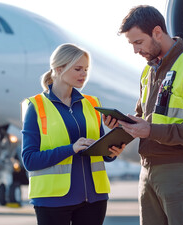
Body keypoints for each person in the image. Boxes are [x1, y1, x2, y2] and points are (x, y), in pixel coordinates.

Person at [102, 5, 183, 225]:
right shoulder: (149, 71)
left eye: (138, 42)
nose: (136, 50)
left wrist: (150, 130)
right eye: (132, 44)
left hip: (181, 169)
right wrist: (120, 126)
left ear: (157, 32)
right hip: (148, 169)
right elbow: (142, 119)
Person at [21, 43, 125, 225]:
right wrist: (71, 149)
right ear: (59, 68)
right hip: (52, 200)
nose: (84, 74)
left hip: (94, 199)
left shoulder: (92, 104)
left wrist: (111, 152)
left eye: (86, 69)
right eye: (78, 69)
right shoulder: (36, 107)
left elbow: (99, 152)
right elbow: (29, 160)